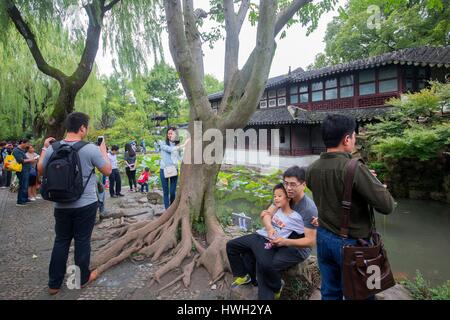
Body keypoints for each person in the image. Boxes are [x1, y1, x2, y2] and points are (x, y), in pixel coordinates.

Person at [306, 114, 395, 300]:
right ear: (347, 139)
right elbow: (386, 206)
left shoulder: (312, 168)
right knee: (363, 294)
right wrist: (374, 183)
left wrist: (360, 178)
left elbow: (332, 191)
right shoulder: (354, 167)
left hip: (323, 237)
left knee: (330, 292)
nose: (354, 140)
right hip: (353, 244)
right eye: (354, 136)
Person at [38, 112, 112, 295]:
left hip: (60, 204)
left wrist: (44, 148)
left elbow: (40, 170)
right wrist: (103, 149)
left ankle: (54, 284)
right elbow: (108, 170)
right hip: (85, 204)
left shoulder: (54, 147)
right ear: (82, 128)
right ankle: (81, 279)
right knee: (82, 240)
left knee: (61, 240)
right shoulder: (90, 149)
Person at [227, 183, 307, 300]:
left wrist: (316, 222)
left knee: (265, 264)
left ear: (288, 197)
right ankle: (243, 275)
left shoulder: (296, 218)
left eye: (279, 196)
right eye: (274, 196)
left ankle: (277, 286)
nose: (276, 198)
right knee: (231, 245)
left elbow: (307, 234)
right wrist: (267, 221)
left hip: (269, 243)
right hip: (259, 235)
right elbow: (265, 215)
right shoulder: (276, 208)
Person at [155, 127, 189, 209]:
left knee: (173, 192)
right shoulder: (163, 143)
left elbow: (180, 158)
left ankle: (172, 208)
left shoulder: (177, 145)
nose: (170, 135)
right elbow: (169, 149)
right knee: (166, 192)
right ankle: (167, 210)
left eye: (172, 133)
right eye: (169, 133)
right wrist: (183, 145)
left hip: (174, 170)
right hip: (164, 170)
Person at [13, 139, 34, 206]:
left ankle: (24, 198)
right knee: (23, 185)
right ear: (22, 143)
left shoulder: (21, 150)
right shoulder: (16, 150)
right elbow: (20, 160)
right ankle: (20, 201)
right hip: (22, 170)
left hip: (25, 170)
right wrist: (31, 160)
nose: (27, 145)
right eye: (26, 144)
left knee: (26, 184)